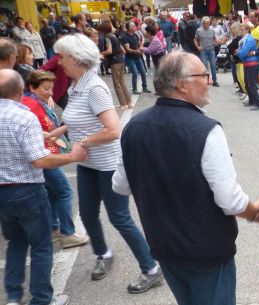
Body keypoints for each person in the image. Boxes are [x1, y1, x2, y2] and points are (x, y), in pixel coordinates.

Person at [113, 51, 259, 305]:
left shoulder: (133, 127)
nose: (208, 80)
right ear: (182, 84)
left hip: (164, 244)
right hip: (207, 250)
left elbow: (120, 184)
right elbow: (230, 201)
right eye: (203, 75)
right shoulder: (207, 130)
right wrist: (256, 213)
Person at [51, 34, 163, 292]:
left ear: (76, 59)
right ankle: (104, 254)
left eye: (62, 57)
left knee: (119, 217)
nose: (59, 62)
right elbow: (79, 118)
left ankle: (152, 268)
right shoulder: (76, 84)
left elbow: (113, 130)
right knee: (88, 214)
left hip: (108, 163)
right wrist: (59, 131)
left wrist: (84, 143)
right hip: (87, 163)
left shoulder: (94, 88)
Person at [0, 68, 87, 305]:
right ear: (21, 90)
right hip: (27, 190)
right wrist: (73, 156)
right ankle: (41, 299)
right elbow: (40, 159)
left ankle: (14, 297)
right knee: (40, 247)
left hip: (2, 193)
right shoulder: (24, 116)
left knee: (16, 243)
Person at [21, 70, 90, 249]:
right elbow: (29, 131)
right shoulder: (30, 105)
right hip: (44, 156)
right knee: (64, 191)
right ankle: (67, 233)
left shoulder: (38, 102)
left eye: (52, 89)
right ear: (32, 88)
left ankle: (54, 228)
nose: (51, 93)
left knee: (53, 193)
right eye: (46, 89)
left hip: (48, 152)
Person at [98, 20, 133, 110]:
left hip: (114, 61)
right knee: (122, 82)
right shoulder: (115, 36)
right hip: (121, 60)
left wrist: (100, 53)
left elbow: (109, 50)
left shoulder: (107, 38)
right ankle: (129, 103)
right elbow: (123, 51)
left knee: (116, 83)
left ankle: (123, 104)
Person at [121, 21, 150, 95]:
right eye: (133, 26)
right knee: (135, 73)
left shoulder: (135, 35)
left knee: (143, 72)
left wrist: (141, 48)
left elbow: (139, 43)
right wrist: (137, 51)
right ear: (129, 28)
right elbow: (127, 49)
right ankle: (134, 89)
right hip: (130, 58)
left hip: (138, 57)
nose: (135, 27)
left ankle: (144, 87)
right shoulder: (125, 37)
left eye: (134, 26)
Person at [237, 23, 259, 110]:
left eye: (242, 29)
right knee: (247, 83)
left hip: (252, 64)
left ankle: (257, 103)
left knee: (251, 84)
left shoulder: (249, 39)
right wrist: (241, 52)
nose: (241, 31)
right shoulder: (244, 39)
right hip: (247, 63)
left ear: (247, 30)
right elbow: (241, 52)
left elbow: (242, 54)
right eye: (241, 29)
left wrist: (240, 53)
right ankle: (251, 100)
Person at [195, 17, 220, 87]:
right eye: (205, 23)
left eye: (207, 23)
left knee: (213, 65)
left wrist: (216, 41)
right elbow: (195, 39)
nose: (206, 24)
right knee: (204, 65)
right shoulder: (199, 30)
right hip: (203, 50)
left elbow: (215, 38)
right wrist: (197, 47)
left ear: (209, 23)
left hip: (211, 49)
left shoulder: (212, 30)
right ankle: (205, 81)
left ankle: (214, 81)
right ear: (202, 23)